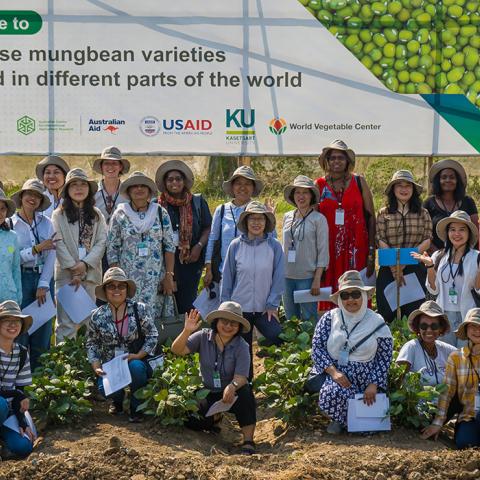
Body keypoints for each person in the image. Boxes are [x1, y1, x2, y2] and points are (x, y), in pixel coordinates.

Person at [312, 270, 393, 434]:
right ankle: (347, 421)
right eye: (345, 295)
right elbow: (317, 347)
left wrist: (373, 384)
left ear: (363, 296)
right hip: (336, 373)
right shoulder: (329, 318)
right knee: (332, 393)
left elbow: (384, 357)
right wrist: (334, 373)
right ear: (340, 299)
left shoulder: (377, 321)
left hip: (367, 376)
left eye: (355, 294)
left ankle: (346, 422)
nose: (350, 299)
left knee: (367, 399)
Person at [171, 301, 257, 454]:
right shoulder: (203, 337)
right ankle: (215, 418)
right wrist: (186, 331)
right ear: (216, 321)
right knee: (192, 420)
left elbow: (242, 376)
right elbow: (177, 350)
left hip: (232, 391)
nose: (228, 326)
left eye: (234, 324)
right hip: (208, 391)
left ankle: (248, 440)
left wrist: (232, 386)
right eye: (224, 321)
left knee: (246, 395)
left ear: (239, 327)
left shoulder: (241, 346)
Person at [221, 201, 284, 378]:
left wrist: (272, 304)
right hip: (240, 311)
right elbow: (227, 278)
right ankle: (245, 386)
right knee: (244, 350)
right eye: (252, 219)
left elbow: (279, 277)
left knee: (279, 337)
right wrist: (225, 307)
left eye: (261, 219)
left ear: (266, 223)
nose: (256, 223)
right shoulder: (235, 246)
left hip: (266, 309)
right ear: (246, 222)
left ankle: (277, 377)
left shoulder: (274, 246)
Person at [86, 267, 158, 423]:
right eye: (111, 286)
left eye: (121, 286)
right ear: (105, 290)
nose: (116, 290)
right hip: (111, 365)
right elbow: (91, 342)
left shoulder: (140, 309)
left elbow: (153, 335)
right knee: (102, 388)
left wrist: (138, 355)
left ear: (127, 289)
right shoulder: (97, 315)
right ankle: (117, 402)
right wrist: (96, 365)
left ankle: (136, 407)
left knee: (137, 369)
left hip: (135, 360)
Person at [315, 140, 376, 312]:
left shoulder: (359, 181)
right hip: (329, 250)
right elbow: (312, 219)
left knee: (356, 290)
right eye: (332, 158)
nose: (336, 161)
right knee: (331, 291)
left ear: (347, 161)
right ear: (327, 161)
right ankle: (331, 329)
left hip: (357, 249)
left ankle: (360, 328)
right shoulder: (319, 185)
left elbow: (371, 216)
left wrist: (371, 252)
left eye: (341, 157)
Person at [107, 171, 176, 322]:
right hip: (127, 278)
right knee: (128, 317)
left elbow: (169, 246)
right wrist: (116, 280)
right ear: (129, 191)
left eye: (143, 186)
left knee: (153, 319)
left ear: (150, 191)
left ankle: (152, 346)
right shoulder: (120, 214)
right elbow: (112, 248)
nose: (139, 189)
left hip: (156, 277)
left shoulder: (160, 212)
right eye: (134, 186)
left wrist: (169, 276)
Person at [52, 168, 107, 342]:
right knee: (66, 323)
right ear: (67, 190)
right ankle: (63, 363)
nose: (79, 188)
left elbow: (101, 243)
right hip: (66, 276)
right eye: (74, 185)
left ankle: (89, 362)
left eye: (83, 184)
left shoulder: (97, 215)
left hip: (89, 274)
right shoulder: (58, 214)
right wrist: (73, 268)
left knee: (89, 320)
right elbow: (58, 242)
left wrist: (84, 264)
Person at [413, 210, 480, 347]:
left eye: (462, 230)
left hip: (467, 315)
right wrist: (430, 266)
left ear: (469, 233)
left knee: (465, 356)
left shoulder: (476, 257)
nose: (456, 234)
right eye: (452, 229)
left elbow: (478, 289)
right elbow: (433, 289)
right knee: (445, 356)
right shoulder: (438, 256)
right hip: (443, 315)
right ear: (447, 233)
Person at [11, 179, 57, 370]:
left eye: (38, 196)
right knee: (19, 331)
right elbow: (12, 259)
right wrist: (36, 249)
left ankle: (40, 383)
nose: (33, 198)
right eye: (29, 194)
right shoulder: (10, 224)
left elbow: (52, 253)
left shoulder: (46, 223)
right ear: (21, 197)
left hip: (42, 280)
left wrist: (44, 283)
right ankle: (18, 382)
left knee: (43, 332)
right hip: (20, 279)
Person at [376, 170, 432, 323]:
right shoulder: (383, 213)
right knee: (387, 312)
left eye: (408, 186)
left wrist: (404, 262)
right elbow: (380, 239)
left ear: (413, 190)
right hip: (389, 268)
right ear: (393, 190)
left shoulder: (423, 213)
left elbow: (427, 239)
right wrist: (395, 267)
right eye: (399, 185)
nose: (404, 189)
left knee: (414, 313)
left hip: (415, 267)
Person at [156, 160, 212, 314]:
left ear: (184, 181)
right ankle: (168, 337)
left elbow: (208, 227)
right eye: (170, 179)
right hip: (164, 262)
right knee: (165, 302)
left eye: (178, 178)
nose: (174, 182)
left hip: (190, 262)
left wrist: (198, 247)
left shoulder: (197, 202)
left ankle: (188, 335)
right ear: (165, 183)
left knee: (187, 304)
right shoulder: (156, 205)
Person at [422, 308, 480, 449]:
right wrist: (438, 423)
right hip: (469, 415)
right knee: (464, 443)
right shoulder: (456, 358)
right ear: (466, 329)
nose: (477, 330)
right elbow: (447, 393)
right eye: (473, 326)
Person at [204, 165, 267, 288]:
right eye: (238, 183)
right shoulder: (221, 210)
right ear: (232, 187)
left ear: (253, 188)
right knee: (226, 306)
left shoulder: (260, 210)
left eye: (248, 183)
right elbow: (212, 240)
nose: (242, 187)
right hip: (224, 272)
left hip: (253, 274)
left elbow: (270, 239)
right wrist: (208, 268)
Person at [282, 175, 329, 323]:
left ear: (311, 195)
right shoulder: (287, 216)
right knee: (291, 318)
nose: (301, 196)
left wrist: (317, 279)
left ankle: (310, 346)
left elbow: (323, 251)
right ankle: (292, 346)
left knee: (309, 319)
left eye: (305, 192)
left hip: (307, 277)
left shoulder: (318, 219)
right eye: (297, 192)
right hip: (287, 276)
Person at [0, 301, 36, 458]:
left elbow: (21, 392)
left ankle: (5, 443)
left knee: (24, 446)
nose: (12, 324)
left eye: (17, 320)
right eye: (7, 320)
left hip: (7, 411)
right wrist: (16, 394)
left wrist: (21, 420)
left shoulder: (21, 353)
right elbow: (17, 393)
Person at [423, 159, 478, 252]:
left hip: (465, 256)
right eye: (444, 177)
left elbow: (475, 231)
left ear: (457, 181)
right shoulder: (429, 203)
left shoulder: (468, 201)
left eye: (452, 177)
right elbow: (423, 233)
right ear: (438, 181)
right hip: (436, 257)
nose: (448, 180)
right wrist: (439, 256)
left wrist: (465, 254)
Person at [397, 301, 456, 386]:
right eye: (424, 326)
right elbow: (399, 380)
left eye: (434, 326)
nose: (429, 330)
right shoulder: (411, 347)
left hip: (444, 398)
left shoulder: (447, 350)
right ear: (418, 328)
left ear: (440, 329)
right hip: (418, 399)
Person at [93, 146, 130, 225]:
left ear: (120, 167)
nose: (110, 166)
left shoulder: (128, 192)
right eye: (106, 163)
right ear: (101, 167)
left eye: (114, 163)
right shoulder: (92, 192)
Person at [0, 189, 22, 305]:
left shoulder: (12, 237)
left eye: (2, 209)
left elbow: (15, 268)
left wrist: (18, 296)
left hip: (8, 296)